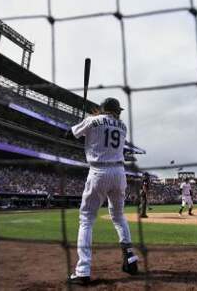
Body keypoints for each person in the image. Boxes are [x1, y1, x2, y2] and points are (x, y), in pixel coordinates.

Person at [67, 97, 138, 285]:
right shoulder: (122, 127)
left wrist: (82, 122)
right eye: (119, 110)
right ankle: (130, 257)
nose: (120, 113)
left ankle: (83, 270)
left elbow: (69, 134)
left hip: (98, 171)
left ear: (102, 108)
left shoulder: (92, 120)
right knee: (119, 216)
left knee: (87, 220)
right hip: (119, 173)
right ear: (115, 110)